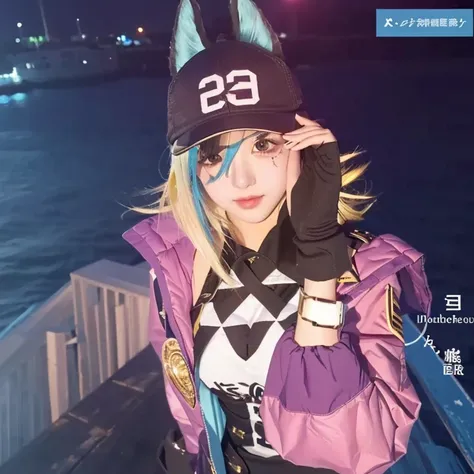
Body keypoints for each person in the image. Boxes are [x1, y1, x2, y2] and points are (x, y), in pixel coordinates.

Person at [123, 0, 432, 473]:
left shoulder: (363, 272)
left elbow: (365, 448)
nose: (240, 179)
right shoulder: (177, 264)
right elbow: (186, 392)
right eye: (212, 155)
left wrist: (321, 269)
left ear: (303, 139)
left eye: (263, 143)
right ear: (189, 169)